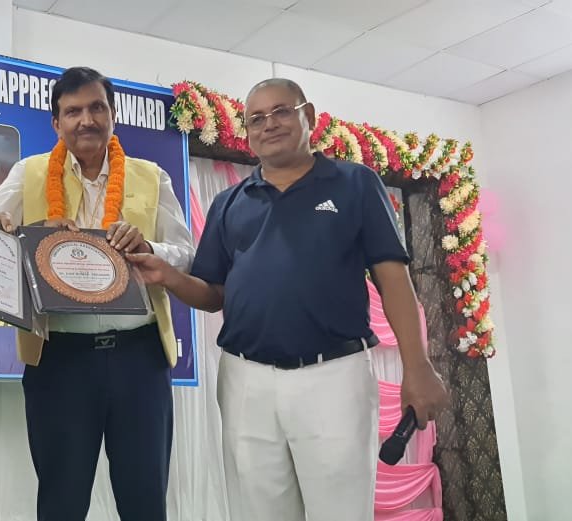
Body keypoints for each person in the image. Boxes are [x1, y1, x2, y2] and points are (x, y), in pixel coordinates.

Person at [128, 78, 450, 521]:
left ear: (309, 116)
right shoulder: (228, 203)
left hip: (333, 376)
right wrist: (166, 276)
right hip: (245, 380)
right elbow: (212, 295)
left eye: (281, 111)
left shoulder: (356, 184)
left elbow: (392, 278)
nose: (269, 124)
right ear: (246, 131)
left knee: (340, 511)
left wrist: (418, 366)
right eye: (256, 118)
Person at [0, 66, 194, 520]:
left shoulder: (151, 177)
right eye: (73, 111)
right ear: (56, 123)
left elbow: (186, 253)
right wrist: (31, 231)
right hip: (60, 359)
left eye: (97, 107)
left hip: (139, 360)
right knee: (61, 500)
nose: (86, 120)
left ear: (112, 115)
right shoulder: (29, 173)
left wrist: (149, 247)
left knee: (144, 499)